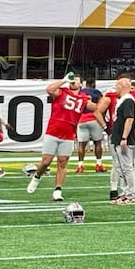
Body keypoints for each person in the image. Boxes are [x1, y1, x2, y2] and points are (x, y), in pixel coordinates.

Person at [26, 72, 92, 202]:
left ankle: (57, 190)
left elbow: (97, 108)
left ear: (81, 84)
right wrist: (64, 80)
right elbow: (49, 89)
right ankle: (37, 176)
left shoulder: (84, 98)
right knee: (46, 161)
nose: (74, 82)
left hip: (68, 134)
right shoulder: (62, 92)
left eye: (76, 80)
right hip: (53, 131)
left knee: (62, 163)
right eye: (72, 79)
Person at [104, 73, 135, 204]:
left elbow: (129, 119)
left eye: (117, 85)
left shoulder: (128, 100)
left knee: (127, 167)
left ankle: (130, 194)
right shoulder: (122, 100)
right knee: (120, 167)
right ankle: (124, 192)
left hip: (124, 138)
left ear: (122, 86)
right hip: (118, 137)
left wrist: (124, 137)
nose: (116, 88)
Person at [74, 77, 105, 175]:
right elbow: (101, 107)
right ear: (94, 84)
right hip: (94, 118)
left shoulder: (80, 92)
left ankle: (80, 166)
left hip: (81, 119)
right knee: (97, 143)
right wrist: (102, 121)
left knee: (81, 145)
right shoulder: (97, 93)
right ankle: (98, 164)